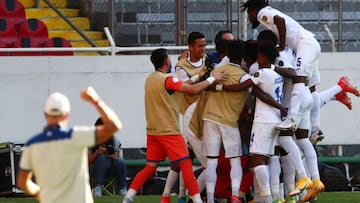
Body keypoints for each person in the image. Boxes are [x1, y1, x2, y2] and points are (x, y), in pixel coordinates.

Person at [122, 48, 228, 203]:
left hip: (152, 132)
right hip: (169, 131)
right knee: (185, 165)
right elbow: (191, 90)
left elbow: (179, 86)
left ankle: (128, 197)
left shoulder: (151, 79)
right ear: (166, 62)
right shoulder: (168, 80)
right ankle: (197, 200)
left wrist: (198, 76)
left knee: (150, 167)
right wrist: (213, 78)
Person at [17, 87, 123, 203]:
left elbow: (22, 182)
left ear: (45, 115)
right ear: (67, 115)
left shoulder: (32, 144)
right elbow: (114, 126)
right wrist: (95, 100)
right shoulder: (78, 136)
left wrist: (39, 193)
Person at [88, 117, 127, 197]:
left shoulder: (113, 140)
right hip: (96, 170)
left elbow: (116, 157)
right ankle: (97, 188)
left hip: (111, 170)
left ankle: (122, 188)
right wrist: (97, 153)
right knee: (101, 158)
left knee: (121, 160)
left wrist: (110, 155)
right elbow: (87, 161)